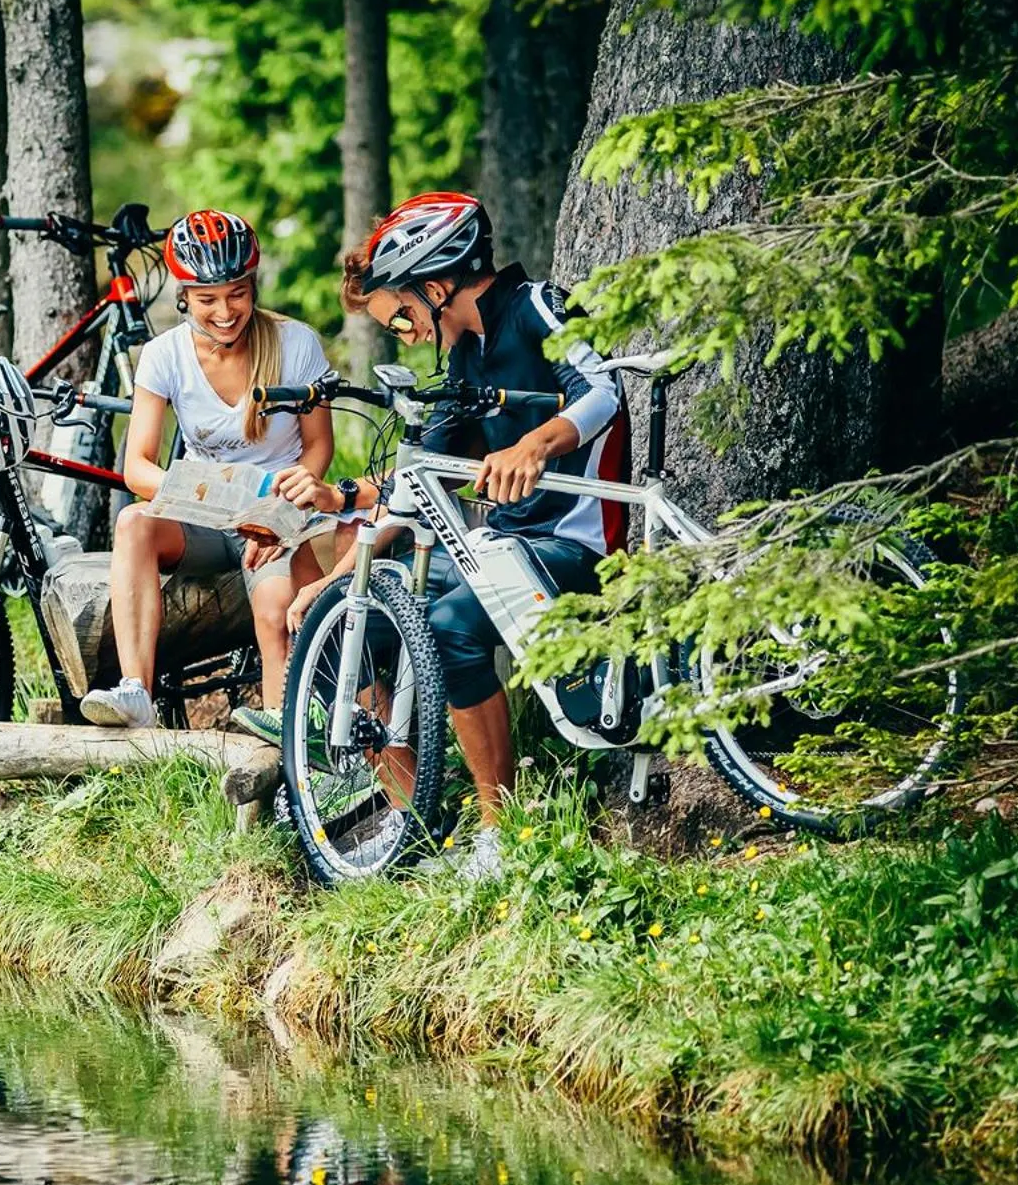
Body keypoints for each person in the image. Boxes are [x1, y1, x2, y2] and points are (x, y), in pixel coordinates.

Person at [276, 191, 627, 877]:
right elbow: (416, 484)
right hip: (505, 550)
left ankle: (504, 831)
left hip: (574, 541)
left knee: (450, 625)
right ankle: (416, 824)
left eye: (402, 313)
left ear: (437, 285)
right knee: (363, 630)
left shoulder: (537, 308)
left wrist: (536, 444)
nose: (404, 331)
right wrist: (333, 573)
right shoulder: (466, 359)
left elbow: (603, 389)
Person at [78, 209, 349, 731]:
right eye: (207, 300)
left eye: (236, 294)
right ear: (183, 297)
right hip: (205, 514)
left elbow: (318, 449)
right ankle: (137, 692)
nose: (225, 311)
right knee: (133, 522)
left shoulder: (296, 345)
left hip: (274, 515)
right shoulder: (163, 356)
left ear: (252, 286)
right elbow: (138, 465)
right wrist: (207, 502)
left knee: (275, 610)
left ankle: (286, 744)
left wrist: (277, 513)